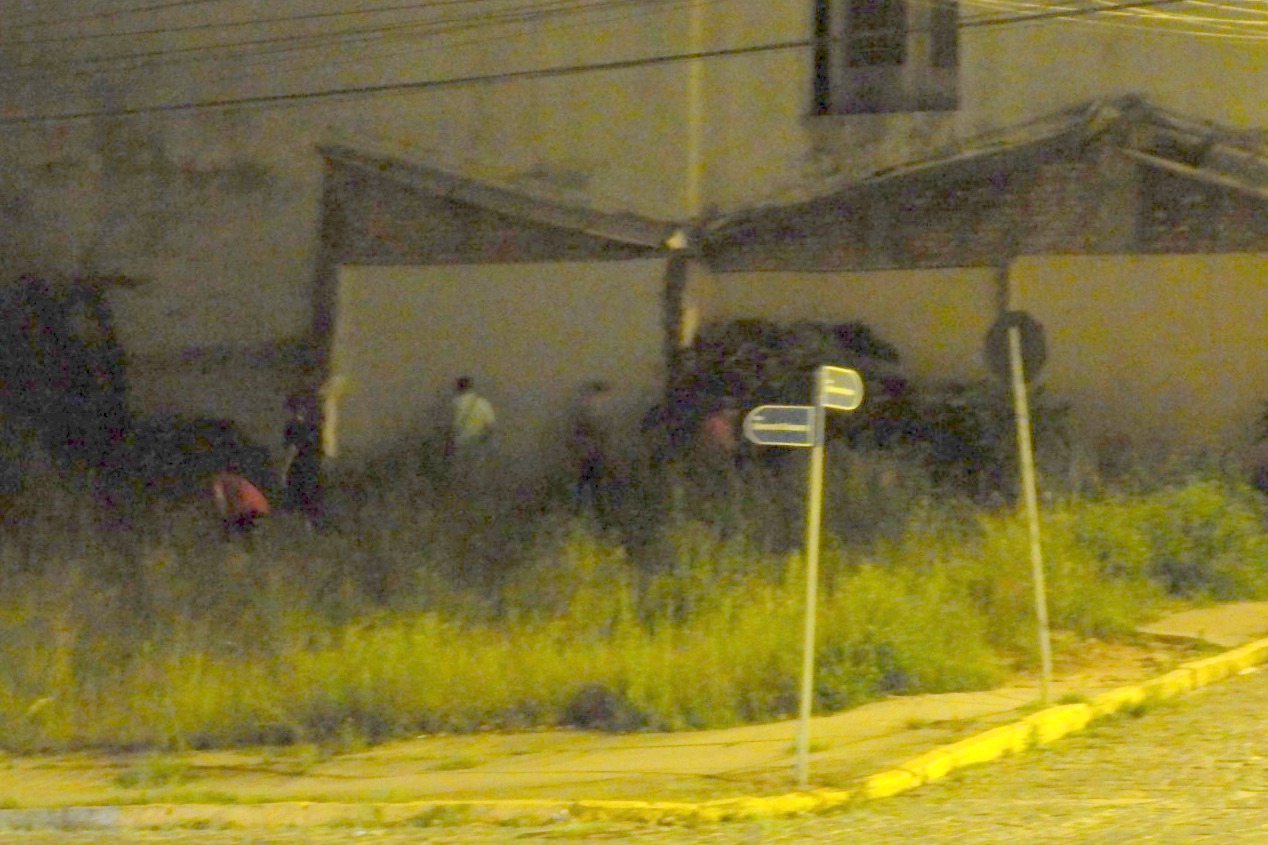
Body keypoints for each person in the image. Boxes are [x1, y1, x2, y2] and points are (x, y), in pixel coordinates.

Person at [570, 380, 614, 518]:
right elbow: (585, 434)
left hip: (591, 455)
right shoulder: (589, 412)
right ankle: (585, 514)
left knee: (590, 486)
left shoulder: (588, 411)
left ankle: (583, 514)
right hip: (590, 455)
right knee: (590, 486)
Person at [280, 393, 325, 529]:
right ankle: (309, 531)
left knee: (290, 503)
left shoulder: (291, 427)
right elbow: (320, 451)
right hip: (312, 468)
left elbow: (292, 449)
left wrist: (284, 471)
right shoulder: (314, 429)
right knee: (309, 505)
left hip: (297, 469)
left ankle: (287, 532)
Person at [446, 376, 496, 486]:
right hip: (477, 443)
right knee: (476, 474)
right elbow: (490, 427)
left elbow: (447, 426)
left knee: (458, 475)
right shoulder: (483, 403)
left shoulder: (453, 404)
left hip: (459, 443)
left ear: (458, 388)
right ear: (472, 387)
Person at [211, 466, 270, 536]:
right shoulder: (239, 481)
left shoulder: (227, 482)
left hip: (251, 511)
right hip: (260, 509)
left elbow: (222, 501)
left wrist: (225, 516)